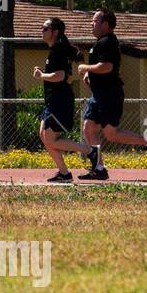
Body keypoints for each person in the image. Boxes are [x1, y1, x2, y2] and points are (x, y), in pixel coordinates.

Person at [76, 8, 147, 180]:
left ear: (106, 24)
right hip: (99, 95)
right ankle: (99, 168)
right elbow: (103, 68)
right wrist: (90, 76)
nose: (91, 23)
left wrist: (86, 68)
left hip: (109, 95)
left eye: (95, 21)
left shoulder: (108, 42)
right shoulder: (100, 43)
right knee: (88, 129)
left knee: (112, 134)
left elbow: (108, 66)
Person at [31, 17, 100, 183]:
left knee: (49, 138)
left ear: (55, 32)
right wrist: (45, 74)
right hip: (53, 100)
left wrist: (41, 76)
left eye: (45, 28)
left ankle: (90, 151)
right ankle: (64, 173)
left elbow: (60, 76)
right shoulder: (55, 50)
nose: (42, 30)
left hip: (59, 101)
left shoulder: (57, 52)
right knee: (44, 136)